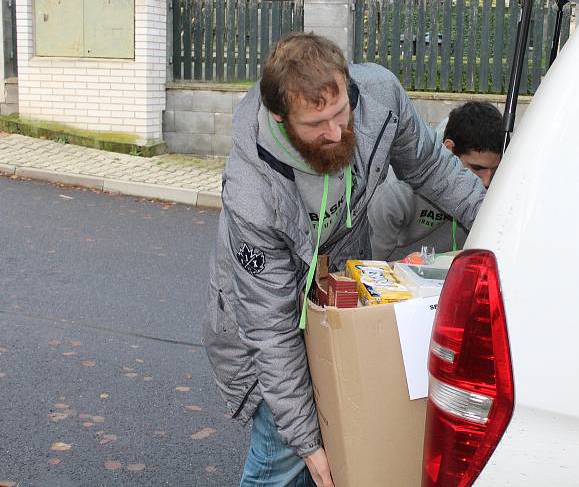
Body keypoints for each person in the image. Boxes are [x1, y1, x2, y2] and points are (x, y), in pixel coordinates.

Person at [202, 32, 485, 487]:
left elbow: (431, 167)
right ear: (280, 117)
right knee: (284, 456)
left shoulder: (378, 97)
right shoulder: (251, 192)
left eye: (340, 112)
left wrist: (498, 225)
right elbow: (271, 329)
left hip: (338, 297)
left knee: (346, 436)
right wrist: (309, 444)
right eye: (316, 123)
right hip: (270, 316)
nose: (336, 132)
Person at [369, 101, 503, 261]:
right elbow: (369, 266)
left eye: (495, 171)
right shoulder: (394, 190)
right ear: (449, 149)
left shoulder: (503, 185)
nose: (487, 182)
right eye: (477, 168)